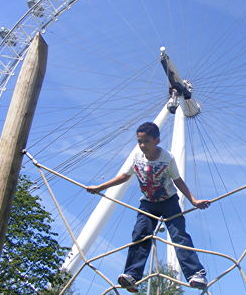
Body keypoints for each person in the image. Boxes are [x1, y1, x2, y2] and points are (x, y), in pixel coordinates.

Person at [87, 122, 210, 292]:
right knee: (140, 235)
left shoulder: (167, 158)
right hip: (147, 204)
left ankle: (196, 274)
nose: (142, 145)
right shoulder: (137, 156)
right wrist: (99, 188)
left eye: (146, 141)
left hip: (169, 202)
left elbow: (178, 180)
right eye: (139, 141)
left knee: (179, 236)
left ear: (157, 140)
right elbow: (124, 176)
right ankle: (132, 275)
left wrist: (193, 200)